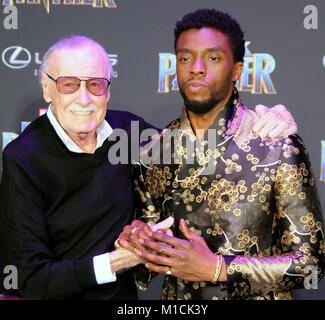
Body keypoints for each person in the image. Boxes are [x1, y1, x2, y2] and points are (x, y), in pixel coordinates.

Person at [0, 34, 296, 300]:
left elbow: (206, 157)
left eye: (95, 85)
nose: (84, 99)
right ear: (47, 88)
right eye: (68, 85)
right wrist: (120, 261)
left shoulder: (127, 132)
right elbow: (30, 278)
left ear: (108, 90)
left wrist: (268, 126)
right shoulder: (24, 158)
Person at [119, 9, 325, 300]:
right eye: (185, 58)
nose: (196, 68)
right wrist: (139, 245)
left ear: (237, 70)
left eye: (213, 58)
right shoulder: (150, 153)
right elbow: (151, 254)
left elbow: (311, 263)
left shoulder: (277, 145)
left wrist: (218, 268)